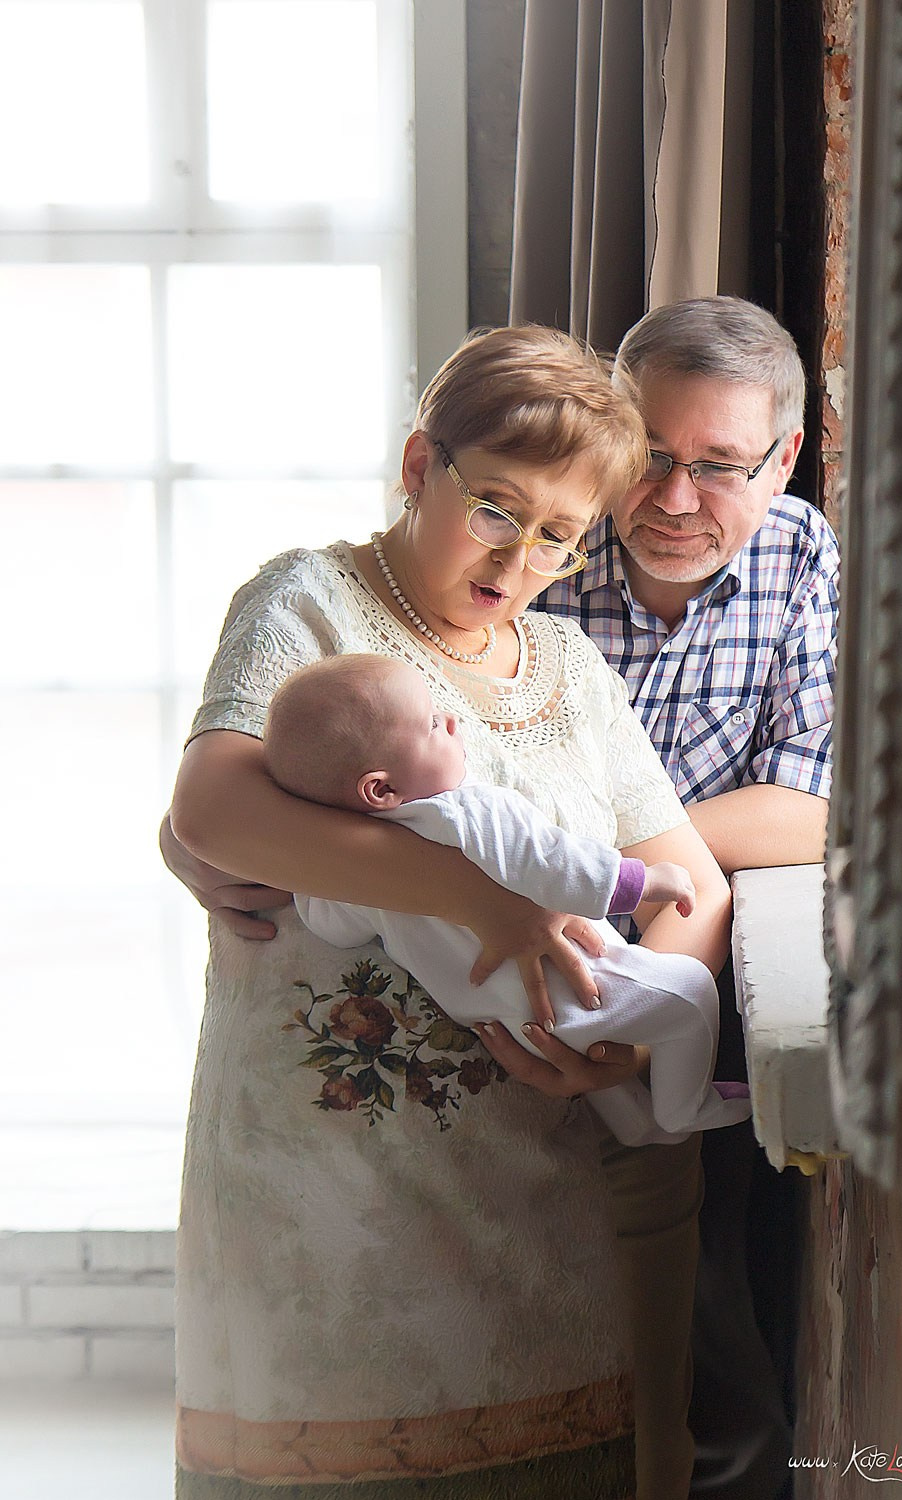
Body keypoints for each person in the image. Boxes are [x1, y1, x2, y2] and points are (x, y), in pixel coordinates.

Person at [162, 324, 732, 1500]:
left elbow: (689, 879)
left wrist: (623, 1031)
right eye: (494, 509)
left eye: (559, 536)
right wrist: (485, 907)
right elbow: (213, 810)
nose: (519, 556)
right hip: (324, 1207)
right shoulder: (311, 601)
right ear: (420, 465)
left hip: (532, 1199)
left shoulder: (571, 668)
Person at [479, 296, 838, 1500]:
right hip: (508, 954)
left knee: (705, 1309)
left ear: (783, 457)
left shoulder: (797, 554)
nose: (674, 501)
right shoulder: (538, 541)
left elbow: (816, 808)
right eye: (653, 456)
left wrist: (631, 863)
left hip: (682, 982)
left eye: (720, 467)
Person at [262, 653, 753, 1145]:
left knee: (596, 1058)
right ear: (381, 788)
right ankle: (683, 1110)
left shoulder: (357, 874)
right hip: (577, 996)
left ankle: (635, 1121)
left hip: (499, 1024)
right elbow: (557, 865)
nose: (452, 720)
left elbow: (330, 925)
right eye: (433, 723)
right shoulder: (472, 810)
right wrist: (642, 881)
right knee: (689, 994)